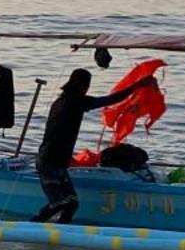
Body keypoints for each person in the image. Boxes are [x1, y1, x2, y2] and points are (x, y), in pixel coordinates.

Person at [32, 67, 159, 224]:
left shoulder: (63, 101)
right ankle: (33, 225)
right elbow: (109, 100)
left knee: (71, 203)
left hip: (52, 160)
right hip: (50, 162)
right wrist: (137, 86)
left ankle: (59, 231)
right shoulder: (75, 102)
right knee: (64, 202)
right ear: (83, 86)